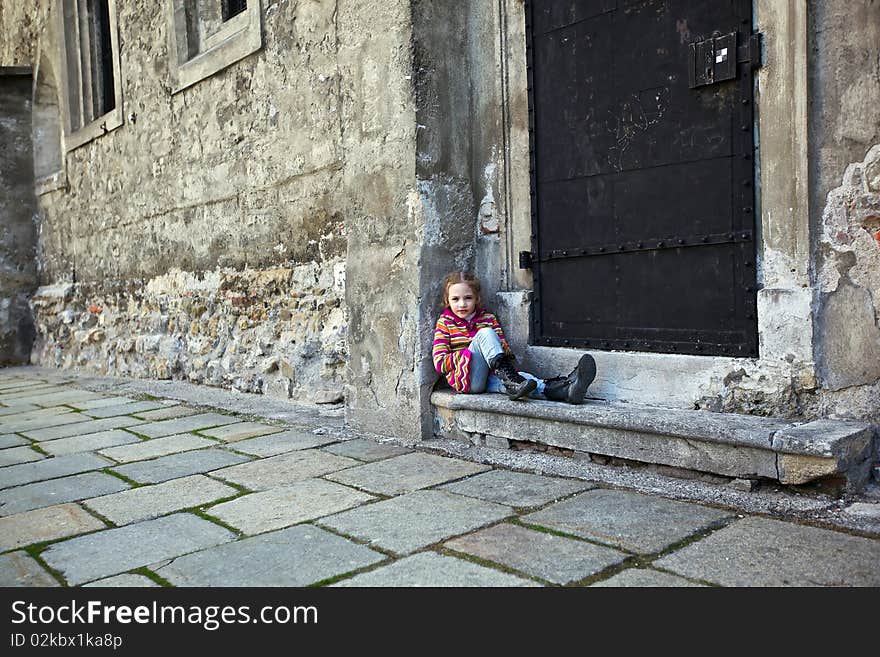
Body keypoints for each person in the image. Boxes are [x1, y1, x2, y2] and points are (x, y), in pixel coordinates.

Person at [432, 271, 596, 402]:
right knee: (485, 334)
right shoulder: (445, 322)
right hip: (467, 381)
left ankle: (566, 390)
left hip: (492, 375)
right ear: (448, 300)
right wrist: (470, 354)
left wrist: (493, 352)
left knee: (527, 382)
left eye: (468, 298)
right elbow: (439, 362)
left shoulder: (488, 319)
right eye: (456, 299)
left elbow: (506, 352)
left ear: (477, 298)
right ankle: (512, 381)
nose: (462, 304)